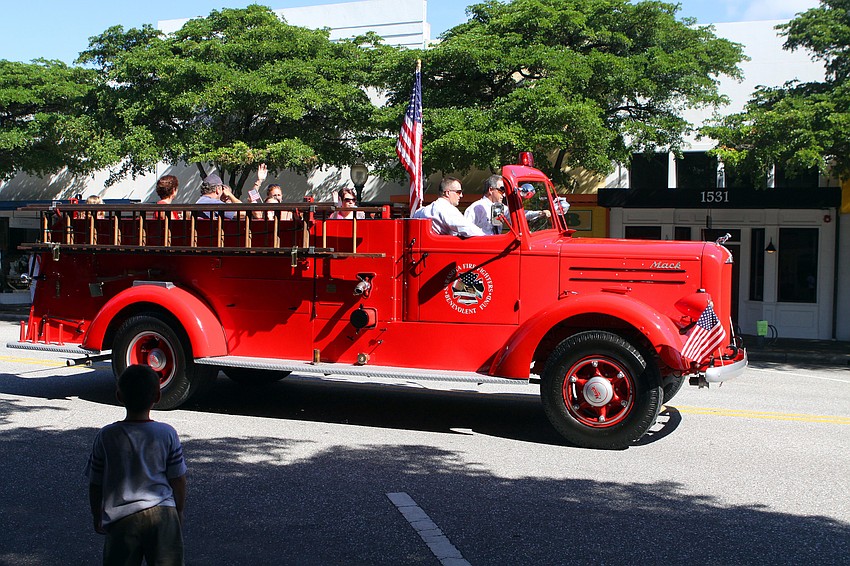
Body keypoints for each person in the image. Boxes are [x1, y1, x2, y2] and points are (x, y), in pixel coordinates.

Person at [85, 365, 187, 565]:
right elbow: (178, 478)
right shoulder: (166, 433)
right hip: (163, 512)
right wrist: (179, 511)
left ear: (119, 396)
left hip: (121, 518)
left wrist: (97, 514)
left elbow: (95, 482)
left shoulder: (106, 435)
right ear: (157, 397)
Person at [412, 177, 484, 237]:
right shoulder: (447, 209)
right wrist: (486, 237)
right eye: (458, 192)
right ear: (447, 193)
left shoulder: (421, 212)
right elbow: (467, 229)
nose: (461, 195)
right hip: (441, 251)